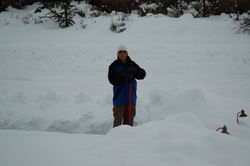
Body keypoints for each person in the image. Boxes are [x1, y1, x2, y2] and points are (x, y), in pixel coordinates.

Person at [108, 45, 146, 127]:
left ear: (127, 53)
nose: (122, 53)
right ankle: (114, 139)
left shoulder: (132, 64)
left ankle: (128, 139)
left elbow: (142, 74)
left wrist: (134, 72)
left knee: (129, 123)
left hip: (131, 99)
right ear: (117, 54)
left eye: (124, 51)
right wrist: (123, 75)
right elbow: (112, 80)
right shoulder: (113, 66)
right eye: (120, 52)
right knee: (117, 123)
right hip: (119, 100)